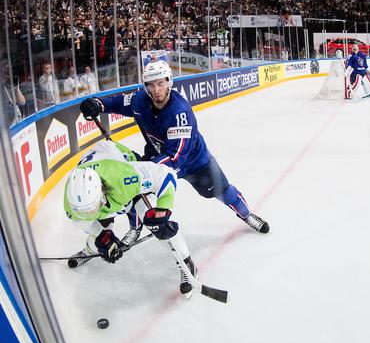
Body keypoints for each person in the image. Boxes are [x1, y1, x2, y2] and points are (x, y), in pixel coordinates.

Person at [79, 60, 269, 237]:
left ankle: (246, 215)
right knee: (133, 190)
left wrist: (142, 169)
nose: (156, 90)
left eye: (161, 83)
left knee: (222, 191)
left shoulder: (180, 113)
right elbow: (118, 103)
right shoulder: (140, 100)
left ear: (170, 82)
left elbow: (175, 158)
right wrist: (98, 104)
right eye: (151, 85)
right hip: (159, 156)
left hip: (195, 164)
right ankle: (135, 228)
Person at [64, 141, 198, 297]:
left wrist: (162, 212)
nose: (89, 214)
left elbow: (166, 175)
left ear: (100, 192)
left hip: (123, 175)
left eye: (92, 208)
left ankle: (187, 263)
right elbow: (81, 220)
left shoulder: (126, 177)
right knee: (100, 238)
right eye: (85, 211)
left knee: (159, 226)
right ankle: (88, 250)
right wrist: (103, 236)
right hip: (105, 183)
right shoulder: (73, 203)